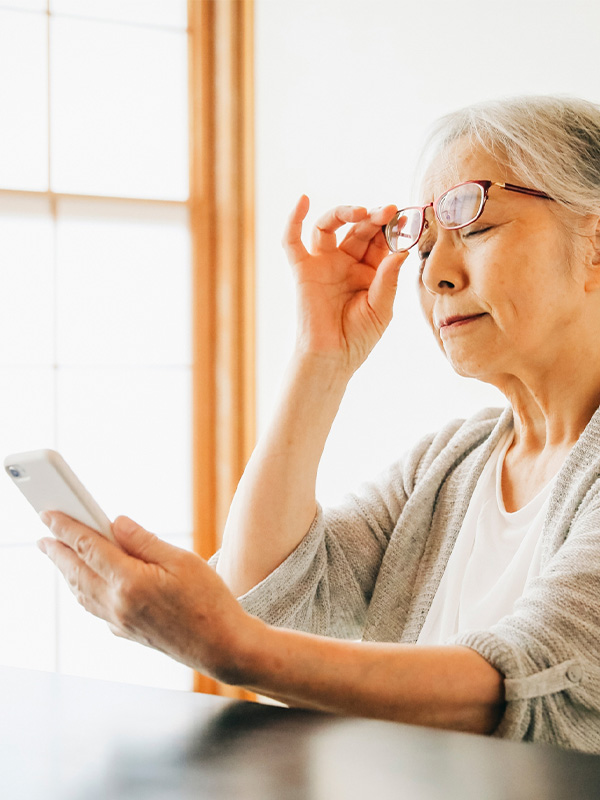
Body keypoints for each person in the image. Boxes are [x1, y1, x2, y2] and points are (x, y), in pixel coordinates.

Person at [38, 95, 600, 753]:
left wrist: (228, 644)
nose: (438, 275)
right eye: (421, 247)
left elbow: (524, 681)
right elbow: (264, 592)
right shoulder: (454, 462)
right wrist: (321, 355)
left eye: (473, 229)